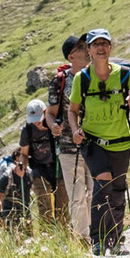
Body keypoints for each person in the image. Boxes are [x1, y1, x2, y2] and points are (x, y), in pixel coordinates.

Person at [68, 28, 130, 256]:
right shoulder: (82, 79)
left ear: (110, 48)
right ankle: (98, 240)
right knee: (103, 183)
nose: (101, 48)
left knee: (118, 190)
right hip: (93, 142)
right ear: (89, 50)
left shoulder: (123, 75)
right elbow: (72, 111)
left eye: (105, 43)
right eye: (96, 44)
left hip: (121, 141)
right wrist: (74, 130)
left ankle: (116, 239)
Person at [49, 34, 93, 239]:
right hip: (67, 146)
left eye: (86, 46)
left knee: (94, 192)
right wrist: (52, 126)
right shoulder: (60, 81)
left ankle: (96, 235)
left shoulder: (95, 75)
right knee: (77, 196)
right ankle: (83, 239)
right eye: (82, 47)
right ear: (71, 56)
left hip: (95, 143)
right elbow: (50, 113)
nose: (87, 50)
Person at [19, 98, 65, 223]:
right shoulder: (27, 131)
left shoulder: (54, 125)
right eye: (33, 121)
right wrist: (22, 165)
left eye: (38, 120)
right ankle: (49, 236)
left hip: (59, 167)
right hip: (39, 171)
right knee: (45, 208)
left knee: (62, 207)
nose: (36, 124)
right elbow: (24, 154)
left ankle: (65, 236)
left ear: (45, 113)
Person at [0, 145, 34, 228]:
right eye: (23, 156)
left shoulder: (29, 173)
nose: (26, 160)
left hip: (26, 213)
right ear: (16, 157)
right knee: (15, 238)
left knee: (29, 237)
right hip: (10, 215)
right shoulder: (7, 176)